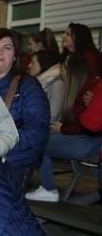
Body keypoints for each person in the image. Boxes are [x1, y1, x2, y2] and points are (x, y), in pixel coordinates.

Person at [0, 28, 50, 194]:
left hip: (12, 160)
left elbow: (38, 130)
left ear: (15, 56)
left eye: (7, 48)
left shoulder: (28, 86)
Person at [26, 57, 102, 202]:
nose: (61, 73)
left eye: (64, 69)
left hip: (87, 141)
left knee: (39, 143)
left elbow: (86, 124)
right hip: (89, 140)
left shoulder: (87, 90)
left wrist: (63, 129)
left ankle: (48, 189)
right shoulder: (85, 87)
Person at [29, 50, 65, 122]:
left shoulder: (57, 84)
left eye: (33, 63)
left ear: (43, 64)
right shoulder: (35, 82)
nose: (29, 65)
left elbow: (53, 116)